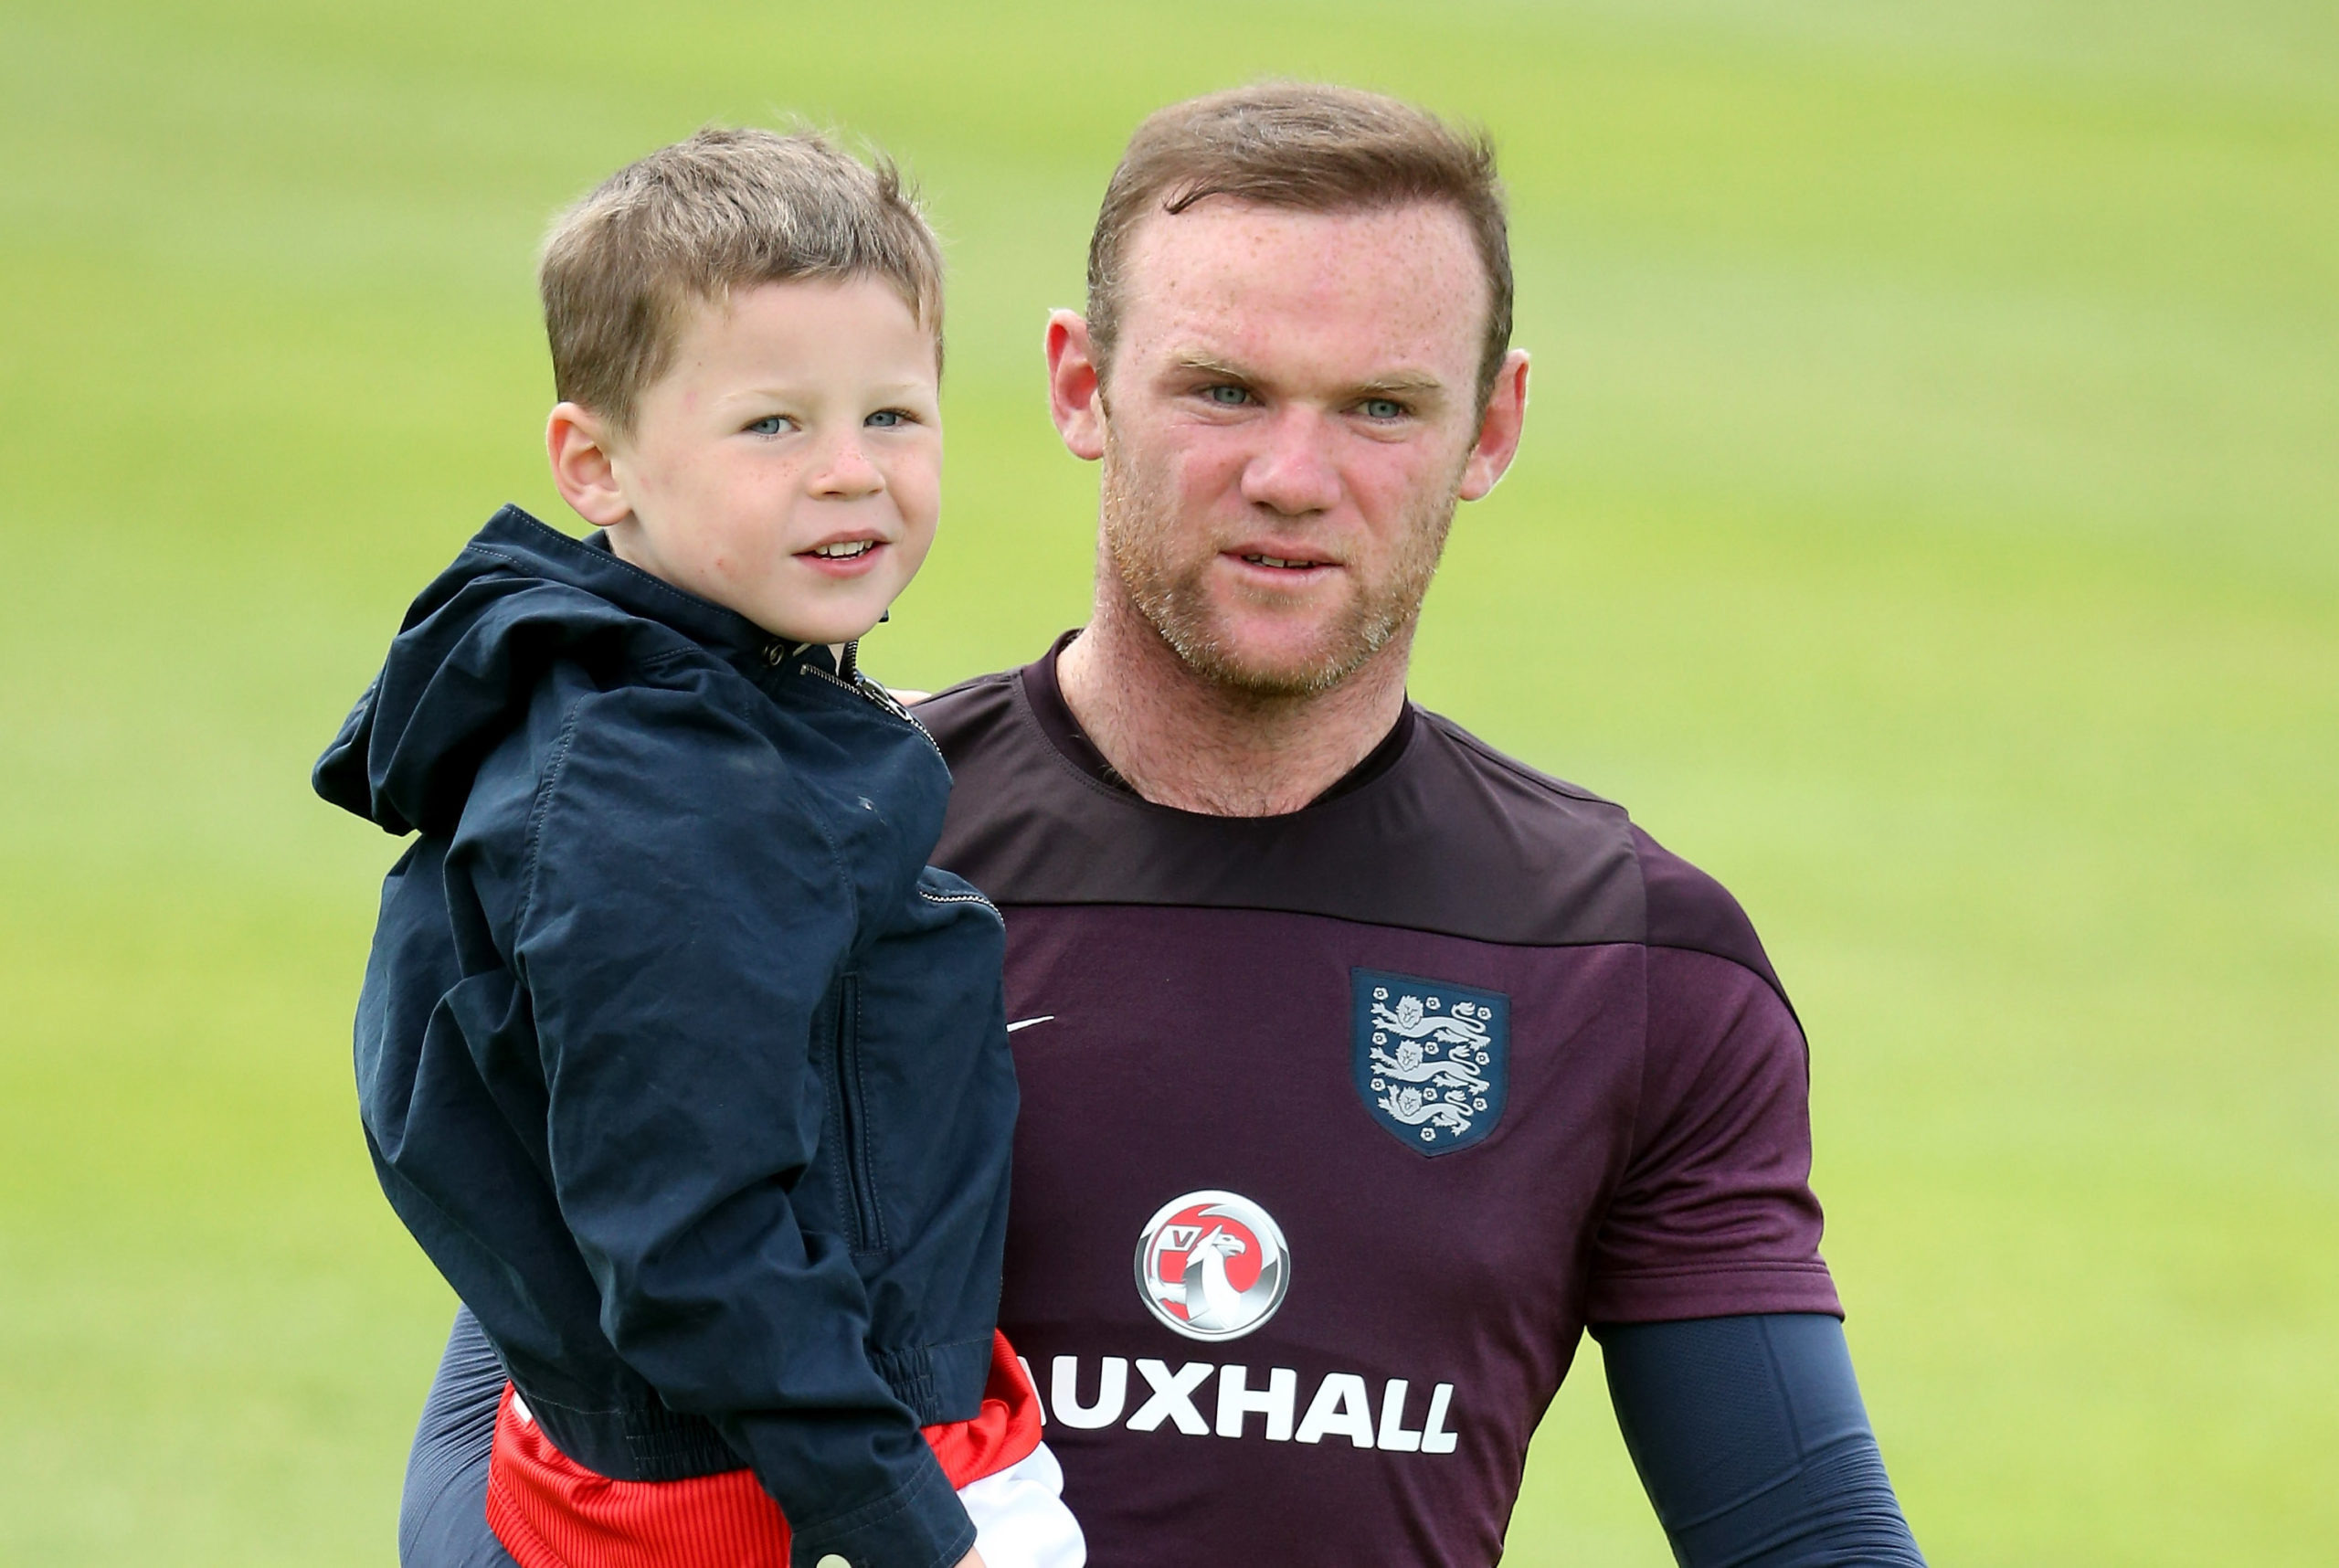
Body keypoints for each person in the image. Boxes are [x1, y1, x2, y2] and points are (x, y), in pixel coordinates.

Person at [406, 86, 1927, 1566]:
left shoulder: (1632, 956)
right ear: (1080, 385)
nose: (1291, 478)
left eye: (1383, 408)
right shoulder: (799, 844)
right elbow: (531, 1412)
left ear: (1494, 424)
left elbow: (1802, 1532)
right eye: (1224, 391)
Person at [315, 128, 1085, 1568]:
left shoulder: (732, 703)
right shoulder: (655, 798)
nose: (852, 475)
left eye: (896, 418)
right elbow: (687, 1244)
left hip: (823, 1438)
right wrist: (912, 1525)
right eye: (773, 427)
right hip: (754, 1492)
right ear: (596, 464)